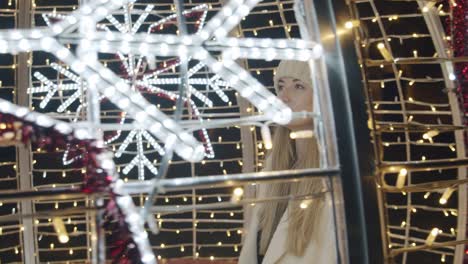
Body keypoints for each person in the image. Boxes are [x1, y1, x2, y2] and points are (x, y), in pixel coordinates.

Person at [238, 60, 338, 264]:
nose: (283, 97)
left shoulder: (333, 180)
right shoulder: (273, 170)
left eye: (299, 86)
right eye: (281, 86)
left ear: (323, 98)